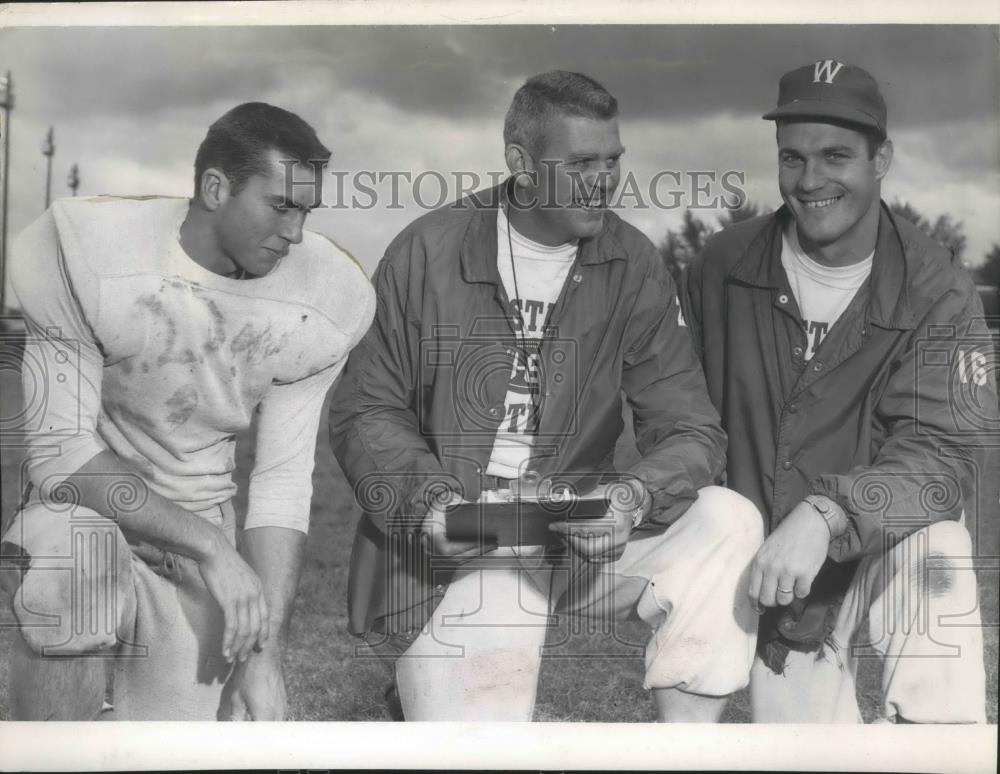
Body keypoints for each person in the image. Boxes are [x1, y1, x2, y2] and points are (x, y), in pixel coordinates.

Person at [329, 70, 763, 722]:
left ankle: (687, 751)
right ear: (521, 165)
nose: (604, 181)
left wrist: (631, 496)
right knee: (488, 718)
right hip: (458, 537)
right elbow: (364, 410)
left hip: (569, 530)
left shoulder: (632, 262)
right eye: (581, 163)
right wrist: (429, 502)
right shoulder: (429, 250)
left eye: (613, 161)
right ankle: (430, 678)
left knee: (729, 520)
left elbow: (691, 429)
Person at [0, 102, 375, 720]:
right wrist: (213, 549)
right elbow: (60, 454)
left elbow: (281, 481)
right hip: (78, 513)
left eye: (306, 210)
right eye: (280, 205)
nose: (296, 232)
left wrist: (264, 653)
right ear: (214, 187)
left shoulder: (327, 296)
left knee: (178, 743)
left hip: (198, 529)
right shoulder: (86, 246)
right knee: (78, 564)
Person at [682, 60, 997, 723]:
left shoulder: (935, 286)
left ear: (882, 157)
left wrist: (826, 514)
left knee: (939, 554)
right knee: (805, 751)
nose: (810, 180)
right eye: (792, 158)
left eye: (836, 156)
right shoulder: (723, 264)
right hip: (781, 574)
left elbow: (944, 458)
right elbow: (678, 412)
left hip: (886, 545)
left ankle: (938, 741)